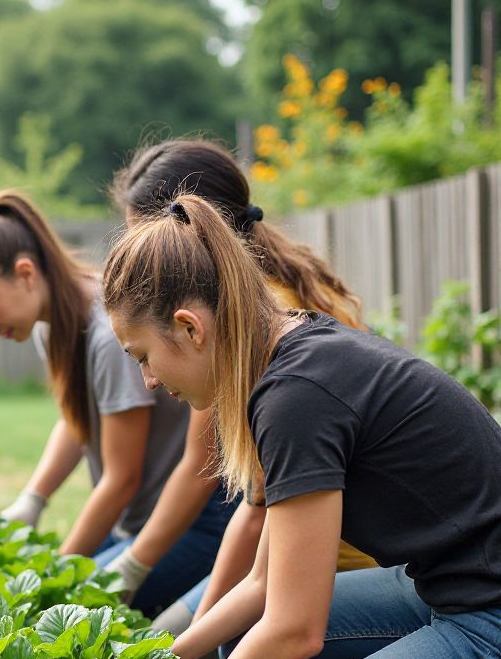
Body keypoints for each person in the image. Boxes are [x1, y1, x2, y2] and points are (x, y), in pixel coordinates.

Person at [79, 195, 501, 659]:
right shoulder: (289, 350)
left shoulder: (295, 396)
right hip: (445, 592)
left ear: (191, 329)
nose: (149, 382)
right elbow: (261, 583)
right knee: (228, 646)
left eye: (143, 356)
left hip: (486, 627)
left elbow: (294, 630)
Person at [106, 138, 375, 631]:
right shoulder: (273, 289)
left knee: (205, 642)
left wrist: (141, 574)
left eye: (146, 237)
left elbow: (207, 475)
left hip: (338, 559)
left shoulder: (247, 324)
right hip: (312, 544)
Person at [0, 190, 235, 607]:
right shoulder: (53, 326)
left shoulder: (106, 336)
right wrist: (34, 498)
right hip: (140, 519)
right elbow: (78, 416)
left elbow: (121, 479)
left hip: (194, 520)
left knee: (69, 606)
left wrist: (54, 580)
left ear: (26, 274)